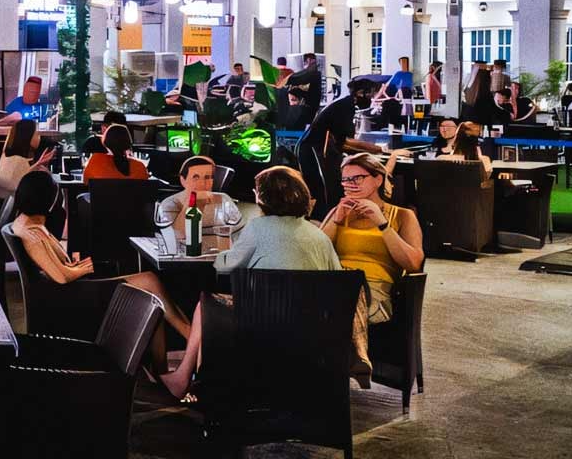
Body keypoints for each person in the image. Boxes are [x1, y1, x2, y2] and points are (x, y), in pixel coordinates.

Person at [160, 167, 341, 398]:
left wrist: (221, 252)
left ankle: (186, 378)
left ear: (262, 198)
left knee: (205, 305)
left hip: (261, 325)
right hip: (311, 329)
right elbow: (335, 277)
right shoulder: (319, 235)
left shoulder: (257, 228)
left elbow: (226, 266)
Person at [9, 172, 193, 368]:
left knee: (152, 293)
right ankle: (189, 336)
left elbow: (58, 268)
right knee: (149, 281)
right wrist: (86, 267)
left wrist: (76, 265)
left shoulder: (26, 223)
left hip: (69, 291)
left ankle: (170, 357)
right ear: (48, 198)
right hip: (72, 297)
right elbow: (61, 277)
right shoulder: (33, 233)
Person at [318, 153, 425, 386]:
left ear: (378, 179)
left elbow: (413, 263)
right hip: (333, 287)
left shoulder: (402, 216)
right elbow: (316, 253)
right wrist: (336, 222)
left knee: (346, 287)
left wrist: (383, 225)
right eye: (345, 180)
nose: (349, 185)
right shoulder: (339, 212)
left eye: (356, 178)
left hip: (375, 295)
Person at [296, 77, 378, 217]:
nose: (372, 98)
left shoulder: (347, 105)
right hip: (312, 149)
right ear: (360, 93)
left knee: (329, 186)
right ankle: (321, 221)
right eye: (370, 94)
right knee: (322, 189)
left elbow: (342, 141)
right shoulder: (345, 107)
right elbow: (346, 141)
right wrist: (378, 149)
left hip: (318, 148)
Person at [155, 155, 242, 234]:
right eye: (195, 178)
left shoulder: (223, 199)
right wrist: (193, 204)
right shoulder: (170, 204)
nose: (202, 184)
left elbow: (239, 228)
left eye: (207, 177)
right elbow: (176, 235)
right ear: (183, 180)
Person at [0, 118, 55, 202]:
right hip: (15, 211)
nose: (39, 138)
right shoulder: (20, 162)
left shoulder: (7, 157)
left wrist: (37, 165)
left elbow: (17, 180)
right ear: (27, 136)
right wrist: (47, 175)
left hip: (2, 207)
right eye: (37, 134)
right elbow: (23, 189)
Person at [83, 124, 149, 180]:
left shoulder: (96, 161)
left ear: (105, 142)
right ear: (128, 142)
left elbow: (86, 181)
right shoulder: (139, 166)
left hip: (105, 195)